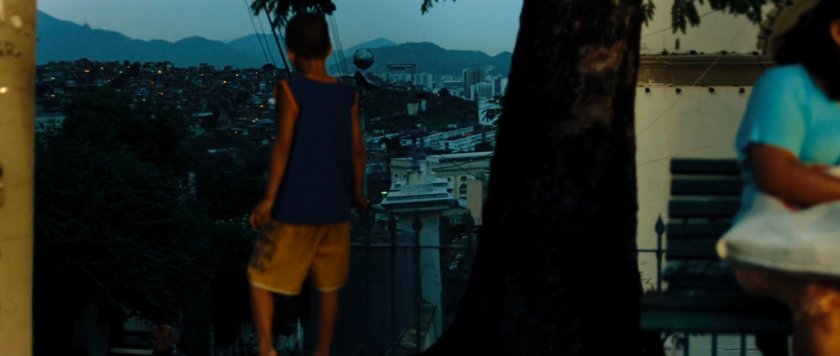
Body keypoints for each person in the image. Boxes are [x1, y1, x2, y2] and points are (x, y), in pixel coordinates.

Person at [246, 12, 367, 356]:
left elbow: (283, 145)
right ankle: (322, 351)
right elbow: (358, 153)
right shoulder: (348, 97)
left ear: (291, 53)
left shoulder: (289, 90)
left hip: (296, 207)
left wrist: (269, 200)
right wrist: (358, 194)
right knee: (329, 286)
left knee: (260, 276)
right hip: (335, 209)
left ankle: (267, 348)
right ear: (329, 49)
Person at [730, 0, 840, 355]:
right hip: (780, 244)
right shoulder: (787, 85)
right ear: (838, 32)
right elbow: (776, 175)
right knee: (824, 301)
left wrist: (817, 179)